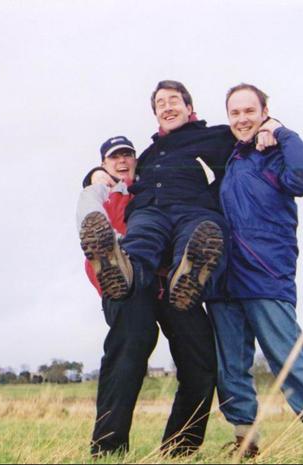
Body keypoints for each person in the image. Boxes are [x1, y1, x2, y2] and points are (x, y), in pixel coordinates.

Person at [207, 83, 303, 457]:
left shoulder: (276, 153)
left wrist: (282, 131)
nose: (242, 118)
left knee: (287, 356)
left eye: (250, 111)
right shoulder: (228, 159)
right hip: (223, 281)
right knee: (230, 367)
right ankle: (245, 440)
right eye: (235, 113)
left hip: (264, 273)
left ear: (264, 110)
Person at [76, 135, 219, 458]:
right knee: (132, 343)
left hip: (169, 283)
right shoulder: (101, 195)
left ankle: (180, 449)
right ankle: (109, 448)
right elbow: (89, 230)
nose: (123, 161)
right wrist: (96, 181)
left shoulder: (150, 192)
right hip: (125, 285)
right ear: (103, 165)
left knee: (202, 359)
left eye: (128, 155)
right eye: (115, 158)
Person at [80, 81, 238, 312]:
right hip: (150, 210)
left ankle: (187, 281)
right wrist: (95, 173)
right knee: (140, 241)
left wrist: (271, 128)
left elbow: (249, 130)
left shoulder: (217, 136)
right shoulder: (148, 156)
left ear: (189, 107)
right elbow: (121, 179)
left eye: (173, 101)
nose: (167, 108)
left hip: (194, 208)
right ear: (156, 114)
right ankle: (123, 272)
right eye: (160, 104)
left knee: (199, 238)